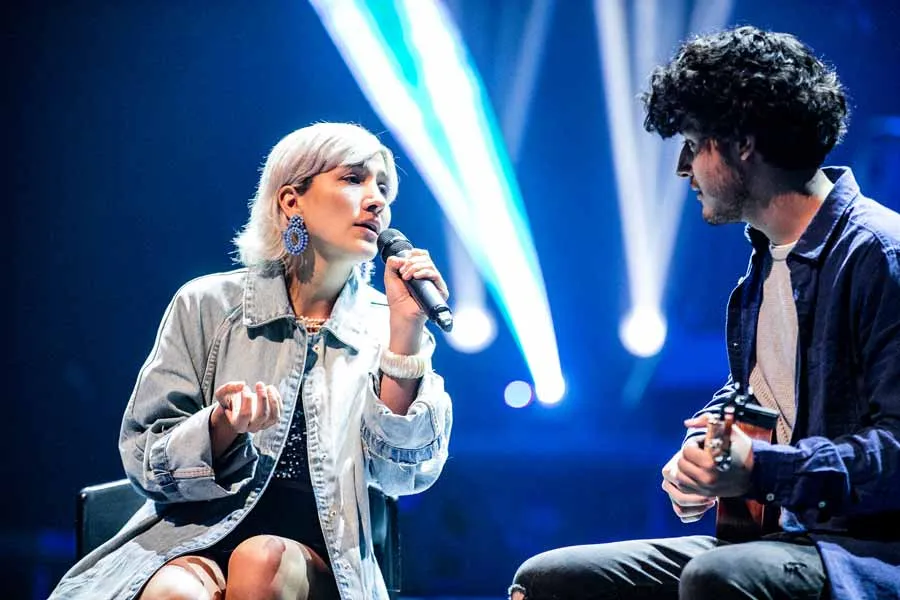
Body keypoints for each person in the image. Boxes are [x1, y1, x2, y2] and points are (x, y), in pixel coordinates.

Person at [509, 26, 900, 600]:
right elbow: (760, 400)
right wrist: (705, 453)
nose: (682, 168)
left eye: (693, 143)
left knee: (715, 578)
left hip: (866, 554)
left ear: (742, 142)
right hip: (781, 539)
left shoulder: (880, 254)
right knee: (546, 581)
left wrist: (760, 468)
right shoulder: (761, 270)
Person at [50, 122, 454, 600]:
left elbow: (401, 476)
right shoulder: (206, 304)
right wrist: (221, 426)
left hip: (322, 557)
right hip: (194, 537)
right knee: (174, 593)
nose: (376, 200)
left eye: (383, 187)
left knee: (259, 561)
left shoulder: (389, 323)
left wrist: (405, 333)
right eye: (353, 179)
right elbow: (143, 457)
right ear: (291, 201)